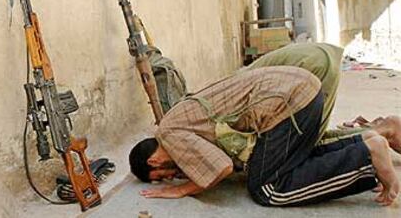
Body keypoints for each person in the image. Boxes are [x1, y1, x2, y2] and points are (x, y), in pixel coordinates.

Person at [130, 66, 400, 206]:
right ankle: (365, 143)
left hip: (287, 102)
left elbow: (220, 168)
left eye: (162, 177)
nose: (172, 176)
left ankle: (365, 157)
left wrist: (181, 190)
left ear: (153, 162)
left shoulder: (168, 133)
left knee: (267, 189)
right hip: (299, 90)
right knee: (287, 163)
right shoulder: (175, 120)